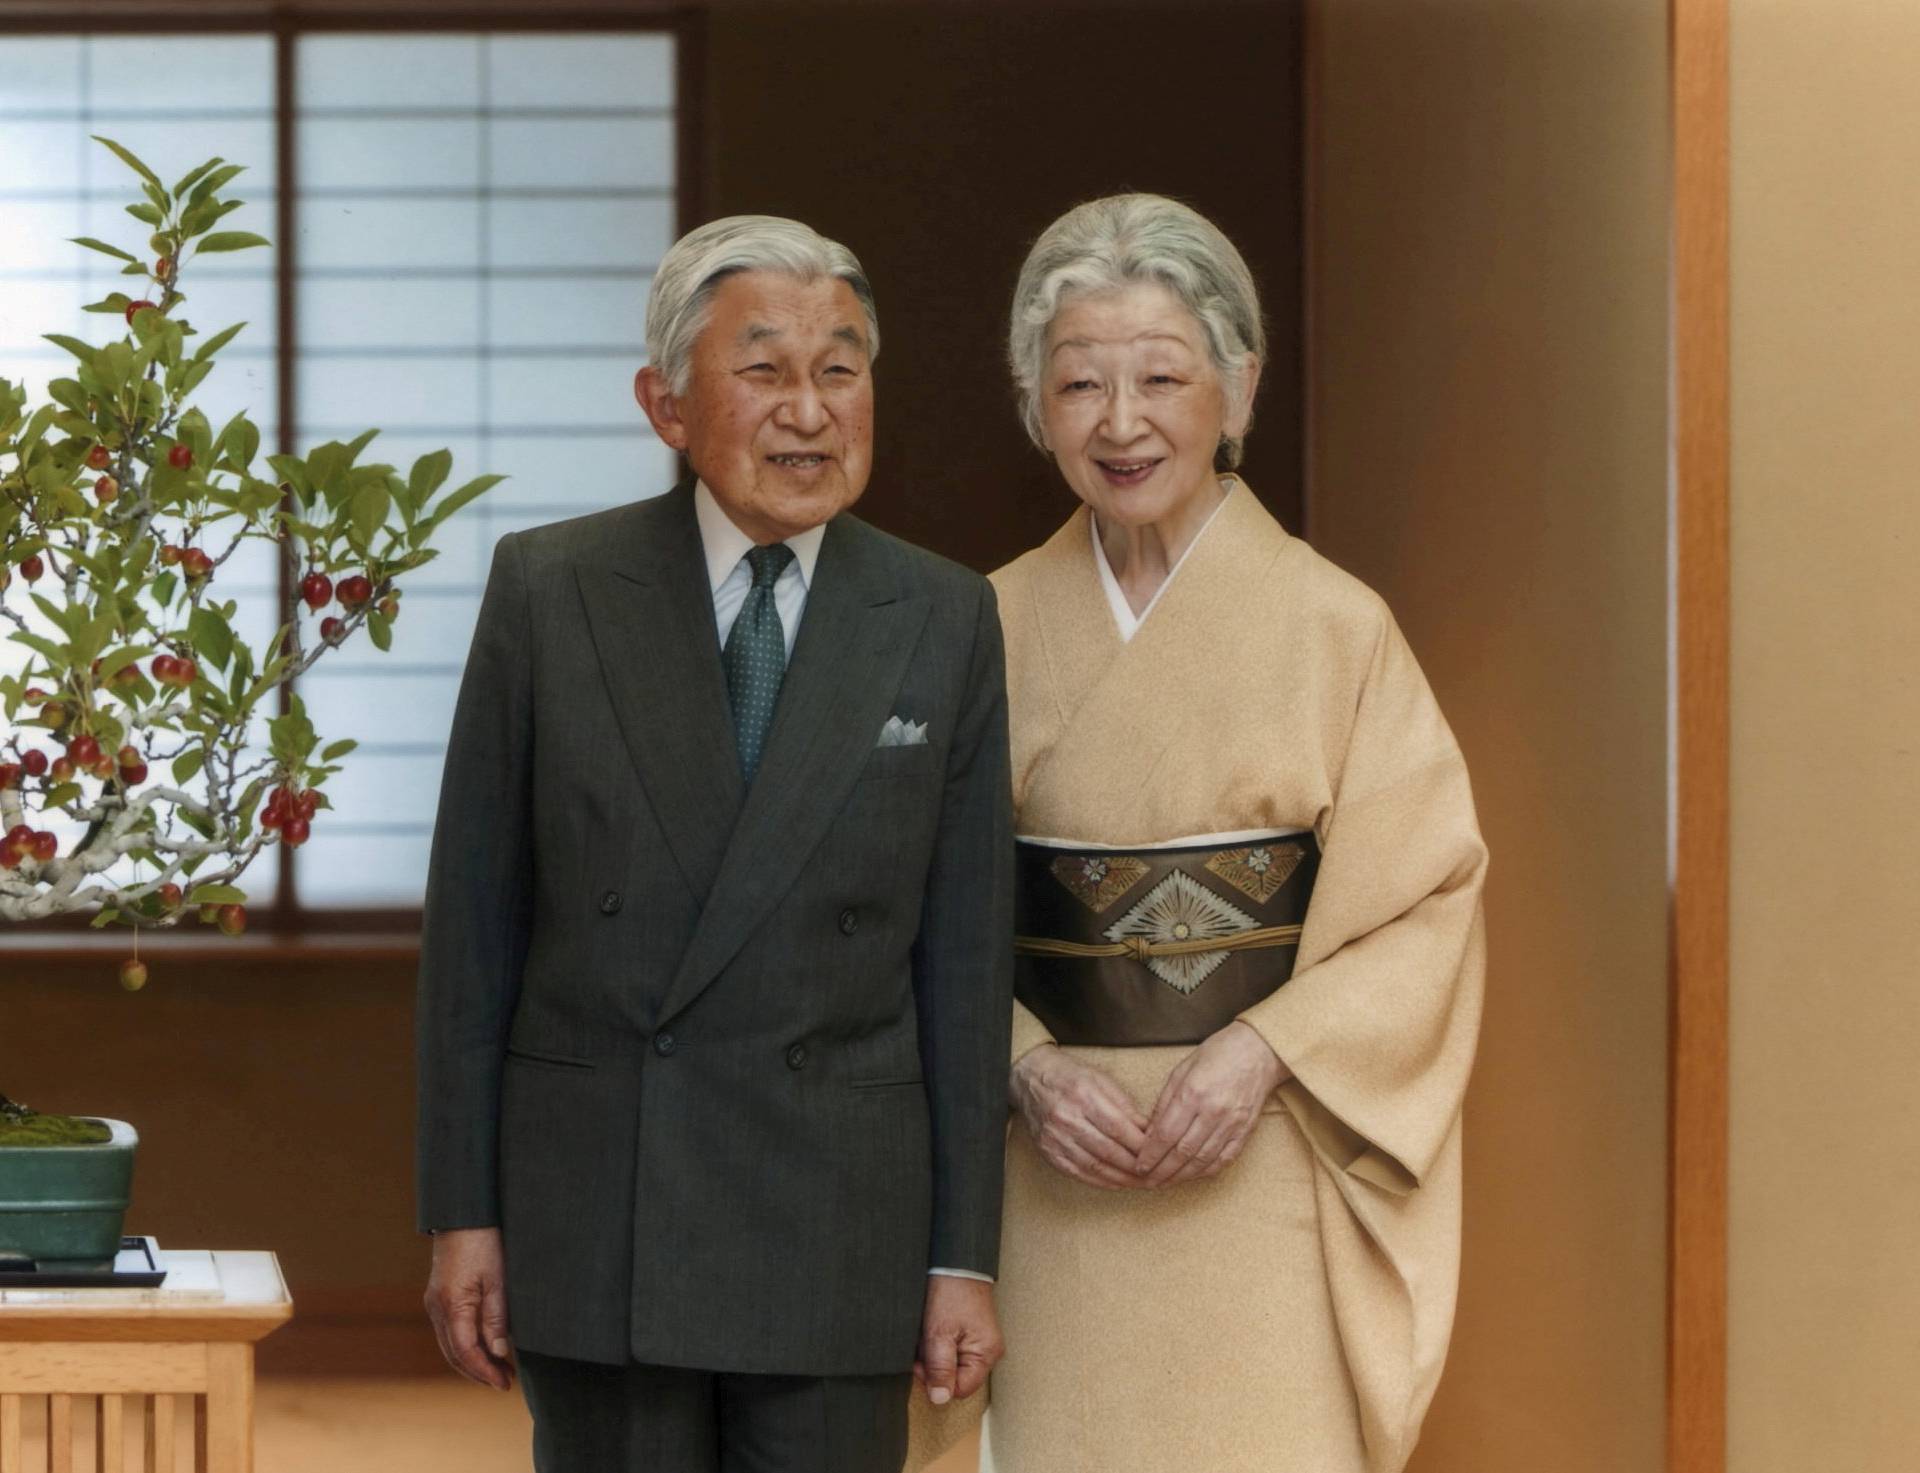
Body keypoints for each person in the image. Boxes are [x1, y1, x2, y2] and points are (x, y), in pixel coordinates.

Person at [416, 215, 1014, 1473]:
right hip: (607, 1206)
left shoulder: (943, 614)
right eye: (764, 370)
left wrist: (961, 1256)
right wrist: (463, 1214)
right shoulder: (551, 589)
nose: (810, 410)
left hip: (837, 1219)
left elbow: (965, 966)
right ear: (667, 404)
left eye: (840, 370)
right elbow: (475, 932)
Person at [925, 194, 1488, 1473]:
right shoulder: (977, 627)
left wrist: (1263, 1052)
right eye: (1079, 384)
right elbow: (907, 904)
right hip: (1054, 1168)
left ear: (1239, 386)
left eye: (1163, 377)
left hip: (1261, 1158)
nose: (1121, 423)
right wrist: (1018, 1061)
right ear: (1035, 405)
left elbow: (1429, 900)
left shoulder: (1340, 629)